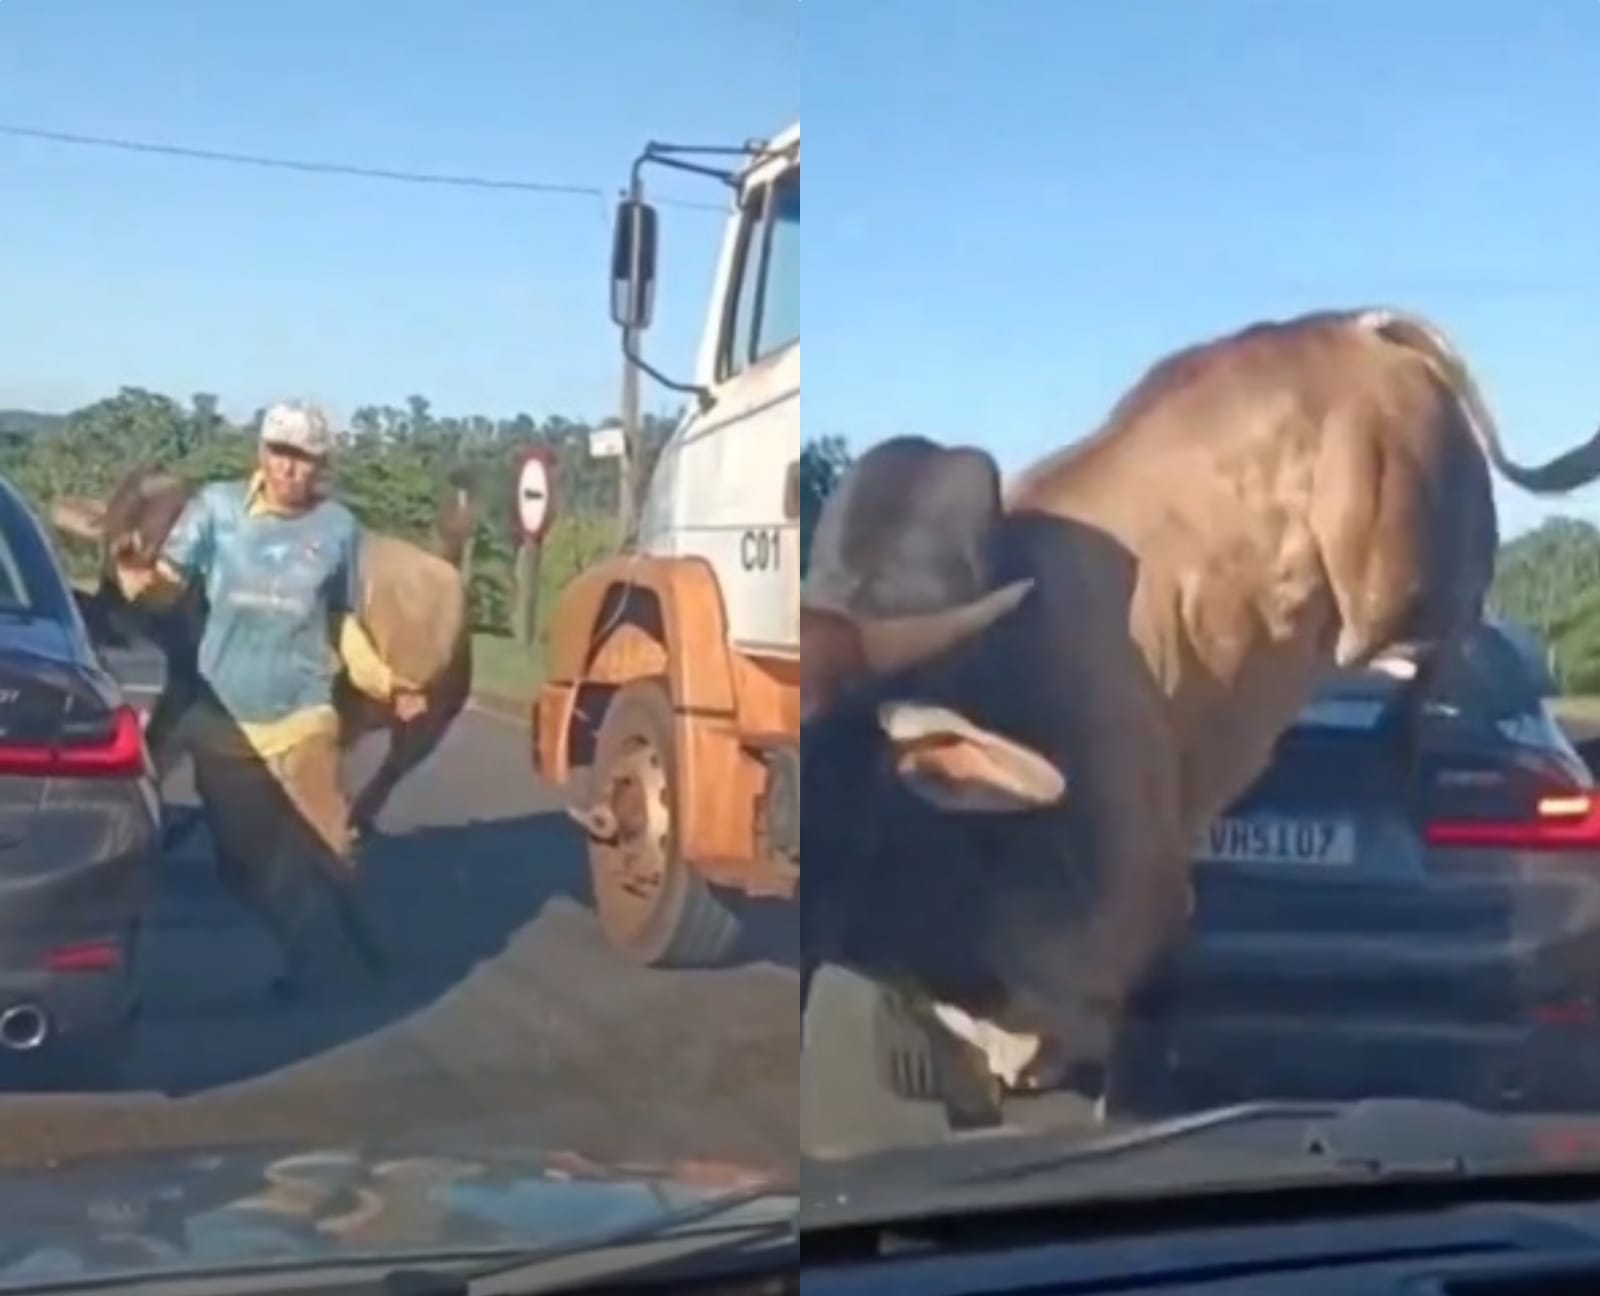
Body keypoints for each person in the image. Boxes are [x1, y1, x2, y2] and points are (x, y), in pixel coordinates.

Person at [114, 401, 427, 999]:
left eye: (303, 458)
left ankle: (362, 957)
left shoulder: (338, 529)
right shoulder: (217, 512)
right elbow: (169, 590)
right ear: (261, 454)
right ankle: (310, 956)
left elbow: (339, 621)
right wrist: (139, 582)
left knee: (333, 845)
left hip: (305, 711)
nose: (289, 468)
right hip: (225, 725)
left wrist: (387, 683)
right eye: (279, 453)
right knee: (254, 866)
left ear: (321, 465)